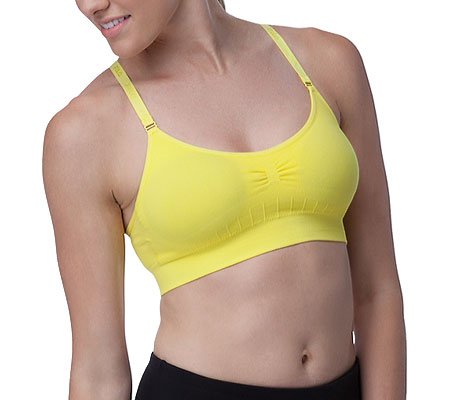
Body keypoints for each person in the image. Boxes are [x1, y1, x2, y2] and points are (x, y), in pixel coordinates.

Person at [42, 1, 407, 399]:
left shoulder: (329, 63)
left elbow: (377, 289)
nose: (90, 4)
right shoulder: (84, 132)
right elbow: (99, 371)